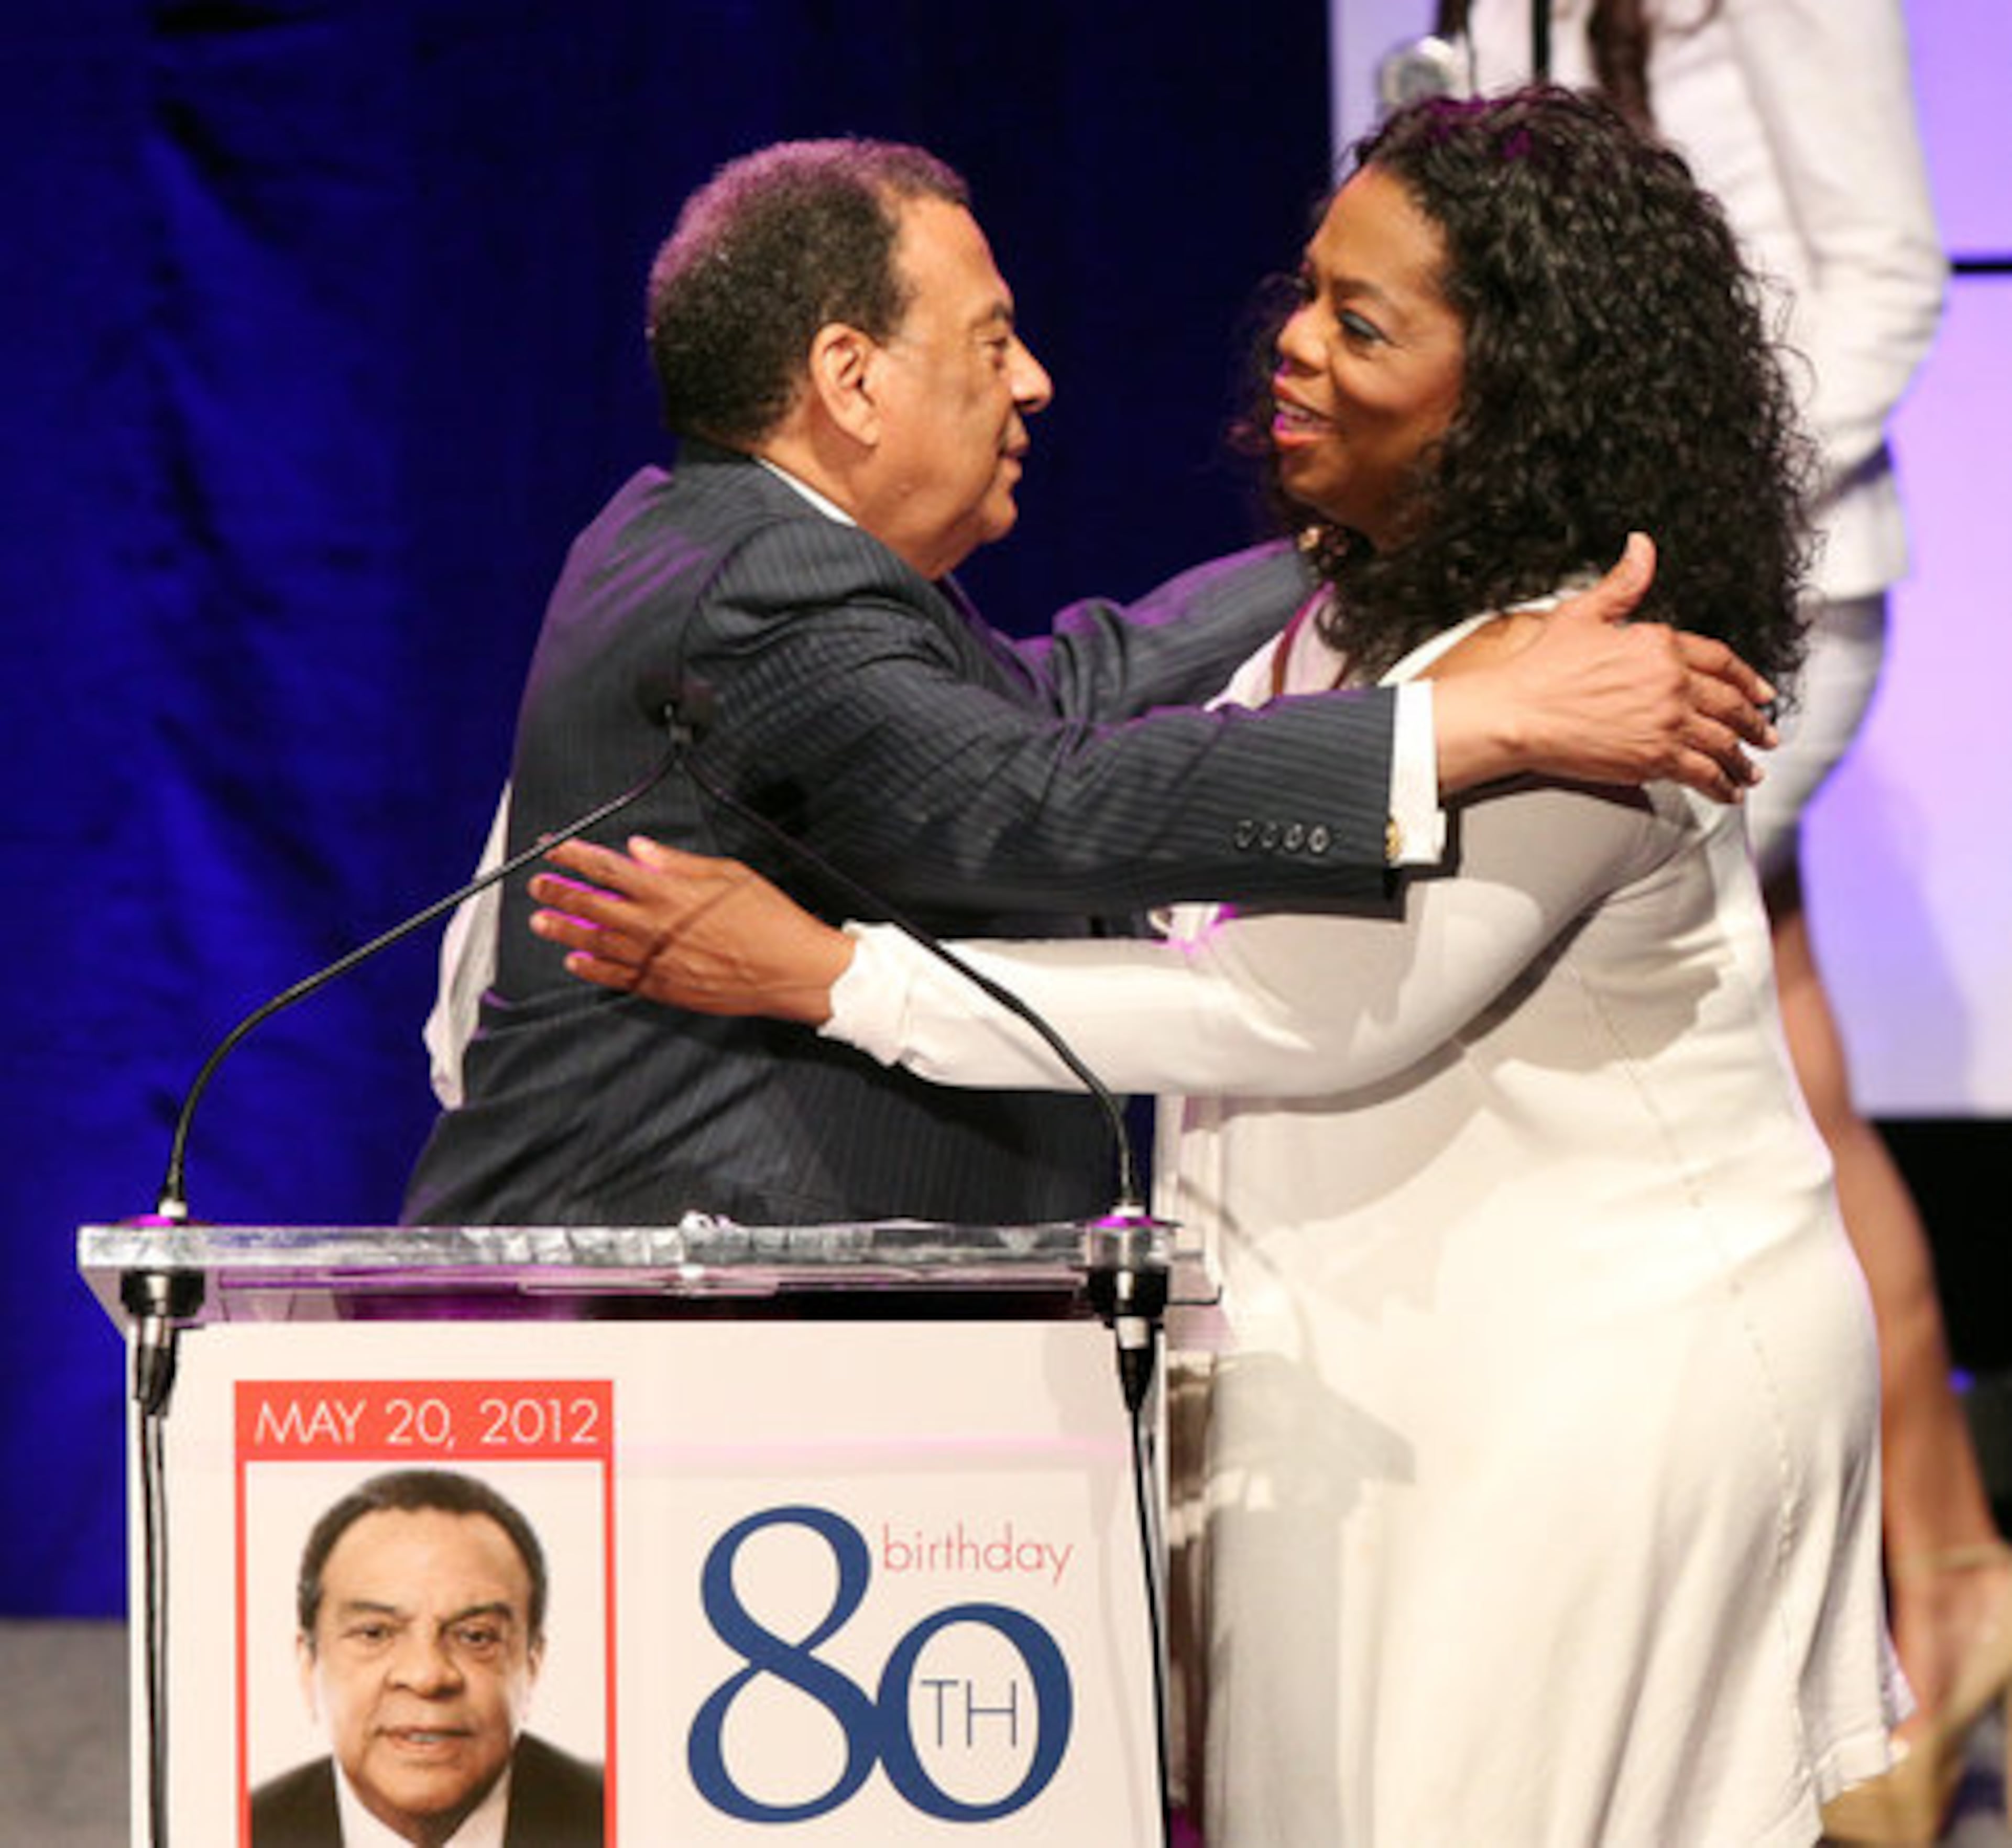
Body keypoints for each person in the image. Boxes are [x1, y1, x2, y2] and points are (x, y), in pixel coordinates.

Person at [524, 90, 1901, 1845]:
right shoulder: (1374, 625)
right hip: (1392, 1390)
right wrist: (1420, 650)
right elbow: (1059, 736)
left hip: (1581, 1392)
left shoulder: (1587, 680)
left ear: (1511, 392)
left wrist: (833, 973)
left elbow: (1298, 1011)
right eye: (1309, 293)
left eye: (1360, 321)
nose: (1293, 346)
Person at [400, 134, 1777, 1233]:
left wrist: (1399, 526)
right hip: (670, 1343)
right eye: (992, 341)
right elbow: (1037, 796)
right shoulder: (766, 582)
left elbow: (1062, 690)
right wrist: (1474, 716)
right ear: (852, 379)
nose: (1038, 382)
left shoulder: (721, 540)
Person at [1442, 7, 1997, 1838]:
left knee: (1637, 1068)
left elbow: (1886, 272)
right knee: (1800, 1097)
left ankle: (1764, 1636)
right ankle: (1947, 1577)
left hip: (1762, 588)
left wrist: (1696, 504)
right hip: (1604, 581)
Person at [250, 1469, 604, 1848]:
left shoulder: (628, 1816)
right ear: (308, 1666)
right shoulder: (237, 1829)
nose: (427, 1676)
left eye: (475, 1636)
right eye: (375, 1633)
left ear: (532, 1667)